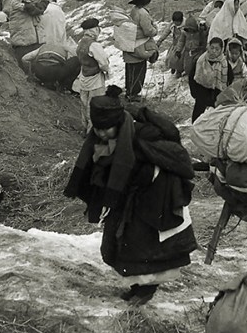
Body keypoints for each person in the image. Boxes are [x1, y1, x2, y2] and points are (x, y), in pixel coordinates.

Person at [63, 90, 197, 305]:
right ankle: (136, 285)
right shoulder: (102, 138)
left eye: (106, 129)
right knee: (115, 244)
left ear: (117, 123)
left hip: (153, 197)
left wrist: (141, 175)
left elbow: (177, 158)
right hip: (125, 196)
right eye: (97, 129)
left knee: (142, 245)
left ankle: (146, 289)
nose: (101, 133)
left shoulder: (143, 136)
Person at [7, 0, 56, 66]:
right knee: (23, 39)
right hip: (22, 16)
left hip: (36, 15)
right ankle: (22, 62)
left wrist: (44, 3)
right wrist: (27, 7)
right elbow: (14, 3)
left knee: (37, 38)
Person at [123, 0, 157, 100]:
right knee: (139, 71)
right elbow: (148, 31)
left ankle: (129, 92)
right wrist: (155, 29)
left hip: (130, 43)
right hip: (139, 45)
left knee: (130, 70)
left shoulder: (134, 10)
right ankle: (134, 94)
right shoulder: (143, 13)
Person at [190, 37, 230, 120]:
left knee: (215, 118)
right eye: (212, 48)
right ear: (208, 47)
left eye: (217, 49)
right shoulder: (200, 61)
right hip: (201, 92)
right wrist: (194, 92)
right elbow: (192, 76)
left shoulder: (224, 64)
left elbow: (230, 80)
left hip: (216, 94)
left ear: (221, 50)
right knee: (197, 118)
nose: (214, 51)